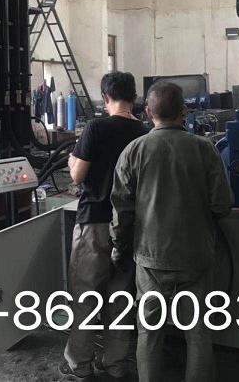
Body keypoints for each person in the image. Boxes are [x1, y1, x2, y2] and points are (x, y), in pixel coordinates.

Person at [111, 82, 233, 382]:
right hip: (196, 257)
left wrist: (119, 246)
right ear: (184, 112)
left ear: (147, 112)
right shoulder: (204, 149)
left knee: (149, 333)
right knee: (198, 332)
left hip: (150, 259)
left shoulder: (133, 151)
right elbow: (222, 205)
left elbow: (121, 211)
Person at [60, 71, 148, 380]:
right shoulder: (145, 132)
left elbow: (77, 175)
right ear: (134, 98)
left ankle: (80, 364)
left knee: (86, 294)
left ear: (105, 98)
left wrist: (72, 161)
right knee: (120, 297)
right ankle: (115, 363)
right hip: (130, 226)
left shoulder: (96, 128)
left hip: (94, 221)